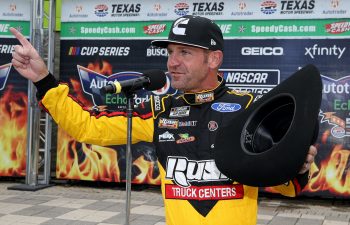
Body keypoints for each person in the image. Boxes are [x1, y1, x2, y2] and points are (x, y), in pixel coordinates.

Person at [10, 15, 317, 225]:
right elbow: (87, 126)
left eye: (184, 52)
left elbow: (287, 184)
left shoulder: (250, 108)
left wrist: (300, 165)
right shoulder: (159, 110)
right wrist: (44, 80)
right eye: (170, 52)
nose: (172, 62)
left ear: (214, 59)